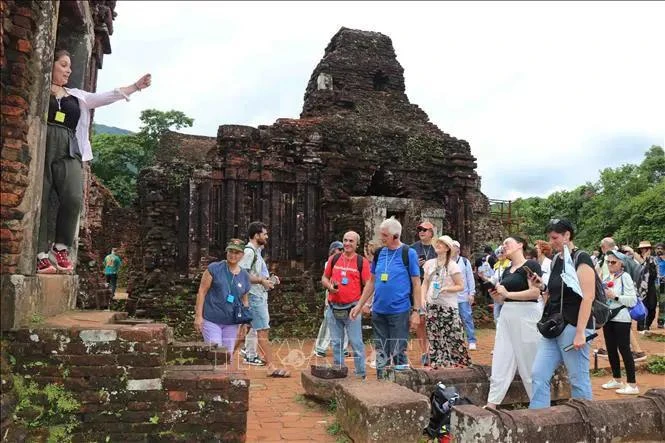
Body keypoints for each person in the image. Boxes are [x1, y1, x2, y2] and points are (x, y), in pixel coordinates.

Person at [37, 49, 151, 274]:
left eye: (70, 66)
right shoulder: (39, 89)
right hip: (42, 142)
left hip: (69, 147)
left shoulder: (77, 96)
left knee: (73, 197)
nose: (68, 70)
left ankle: (60, 247)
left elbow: (106, 96)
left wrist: (135, 86)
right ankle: (40, 254)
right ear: (50, 64)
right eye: (63, 65)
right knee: (40, 196)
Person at [529, 219, 595, 409]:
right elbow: (555, 290)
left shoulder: (581, 258)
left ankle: (586, 422)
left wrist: (581, 331)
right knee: (538, 374)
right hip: (554, 325)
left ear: (567, 235)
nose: (552, 242)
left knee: (578, 379)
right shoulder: (557, 259)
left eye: (555, 237)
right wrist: (541, 286)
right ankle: (538, 419)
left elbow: (588, 297)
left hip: (574, 325)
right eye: (550, 238)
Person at [350, 217, 422, 379]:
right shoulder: (380, 253)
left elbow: (416, 284)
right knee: (381, 348)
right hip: (379, 310)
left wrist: (417, 311)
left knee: (398, 349)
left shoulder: (408, 253)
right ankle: (382, 380)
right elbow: (372, 281)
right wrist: (360, 304)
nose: (381, 238)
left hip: (399, 310)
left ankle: (401, 384)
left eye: (384, 235)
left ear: (395, 236)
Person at [485, 236, 542, 409]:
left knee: (529, 362)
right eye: (502, 244)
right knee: (502, 358)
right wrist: (498, 296)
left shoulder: (531, 266)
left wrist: (507, 294)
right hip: (507, 315)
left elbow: (535, 293)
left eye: (507, 243)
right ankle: (492, 403)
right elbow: (504, 299)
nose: (504, 246)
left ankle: (538, 404)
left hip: (527, 316)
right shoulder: (507, 270)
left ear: (520, 245)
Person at [237, 221, 289, 377]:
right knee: (263, 332)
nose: (267, 237)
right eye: (264, 234)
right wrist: (261, 281)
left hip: (257, 295)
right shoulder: (249, 252)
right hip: (254, 296)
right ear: (256, 235)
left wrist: (269, 279)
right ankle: (271, 366)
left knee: (243, 331)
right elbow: (243, 274)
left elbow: (254, 273)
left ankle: (223, 361)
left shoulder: (256, 252)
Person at [322, 231, 370, 379]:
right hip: (333, 306)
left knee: (356, 342)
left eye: (351, 241)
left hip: (352, 309)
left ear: (357, 244)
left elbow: (369, 283)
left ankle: (360, 373)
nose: (347, 244)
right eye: (345, 240)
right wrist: (330, 287)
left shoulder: (362, 262)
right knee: (336, 342)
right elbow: (324, 277)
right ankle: (339, 370)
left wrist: (364, 303)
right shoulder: (334, 258)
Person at [194, 239, 251, 362]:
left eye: (237, 252)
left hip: (231, 322)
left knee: (227, 356)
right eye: (230, 251)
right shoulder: (214, 268)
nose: (233, 255)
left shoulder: (245, 276)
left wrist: (244, 323)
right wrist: (198, 316)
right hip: (211, 319)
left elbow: (245, 300)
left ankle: (223, 380)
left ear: (242, 255)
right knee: (216, 354)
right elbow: (202, 292)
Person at [596, 237, 647, 362]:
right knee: (615, 326)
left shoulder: (615, 258)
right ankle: (606, 348)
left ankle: (637, 351)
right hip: (616, 301)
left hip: (620, 299)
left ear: (604, 247)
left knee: (622, 331)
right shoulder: (620, 256)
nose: (610, 263)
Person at [422, 236, 469, 368]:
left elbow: (460, 285)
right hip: (432, 305)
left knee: (454, 336)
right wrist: (422, 299)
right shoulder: (430, 264)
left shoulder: (453, 266)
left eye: (441, 244)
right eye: (437, 243)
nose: (438, 245)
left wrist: (447, 288)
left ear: (447, 248)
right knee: (434, 337)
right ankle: (438, 364)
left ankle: (458, 364)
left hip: (448, 306)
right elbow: (424, 283)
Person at [601, 250, 639, 395]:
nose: (610, 264)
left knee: (624, 349)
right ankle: (616, 379)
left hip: (622, 318)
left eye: (613, 262)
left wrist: (615, 296)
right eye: (608, 262)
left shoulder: (625, 277)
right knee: (611, 349)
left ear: (621, 263)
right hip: (608, 317)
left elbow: (632, 300)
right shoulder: (606, 277)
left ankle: (632, 383)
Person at [313, 241, 349, 357]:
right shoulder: (329, 263)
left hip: (345, 297)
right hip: (332, 297)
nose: (342, 252)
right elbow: (328, 279)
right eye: (339, 250)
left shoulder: (348, 262)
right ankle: (320, 347)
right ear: (333, 251)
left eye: (342, 250)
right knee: (329, 322)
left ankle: (342, 348)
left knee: (345, 322)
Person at [410, 221, 438, 365]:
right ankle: (424, 351)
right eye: (419, 229)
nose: (421, 231)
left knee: (433, 320)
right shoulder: (412, 249)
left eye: (425, 230)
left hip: (434, 289)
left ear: (431, 233)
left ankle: (434, 349)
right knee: (421, 321)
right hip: (418, 288)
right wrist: (416, 265)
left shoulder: (437, 249)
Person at [452, 240, 478, 350]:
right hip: (451, 297)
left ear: (458, 249)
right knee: (453, 320)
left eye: (454, 247)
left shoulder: (464, 262)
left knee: (467, 318)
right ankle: (457, 341)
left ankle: (471, 340)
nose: (452, 249)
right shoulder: (446, 261)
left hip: (463, 296)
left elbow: (470, 279)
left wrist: (471, 293)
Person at [635, 241, 658, 332]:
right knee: (642, 306)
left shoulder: (653, 260)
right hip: (640, 286)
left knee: (652, 306)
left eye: (647, 248)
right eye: (643, 248)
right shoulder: (636, 259)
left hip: (651, 285)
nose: (644, 250)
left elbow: (654, 274)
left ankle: (647, 324)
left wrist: (648, 260)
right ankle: (642, 327)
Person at [656, 242, 665, 329]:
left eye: (661, 249)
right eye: (658, 249)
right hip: (653, 284)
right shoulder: (654, 259)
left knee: (662, 304)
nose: (659, 250)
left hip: (663, 285)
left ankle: (661, 322)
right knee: (651, 304)